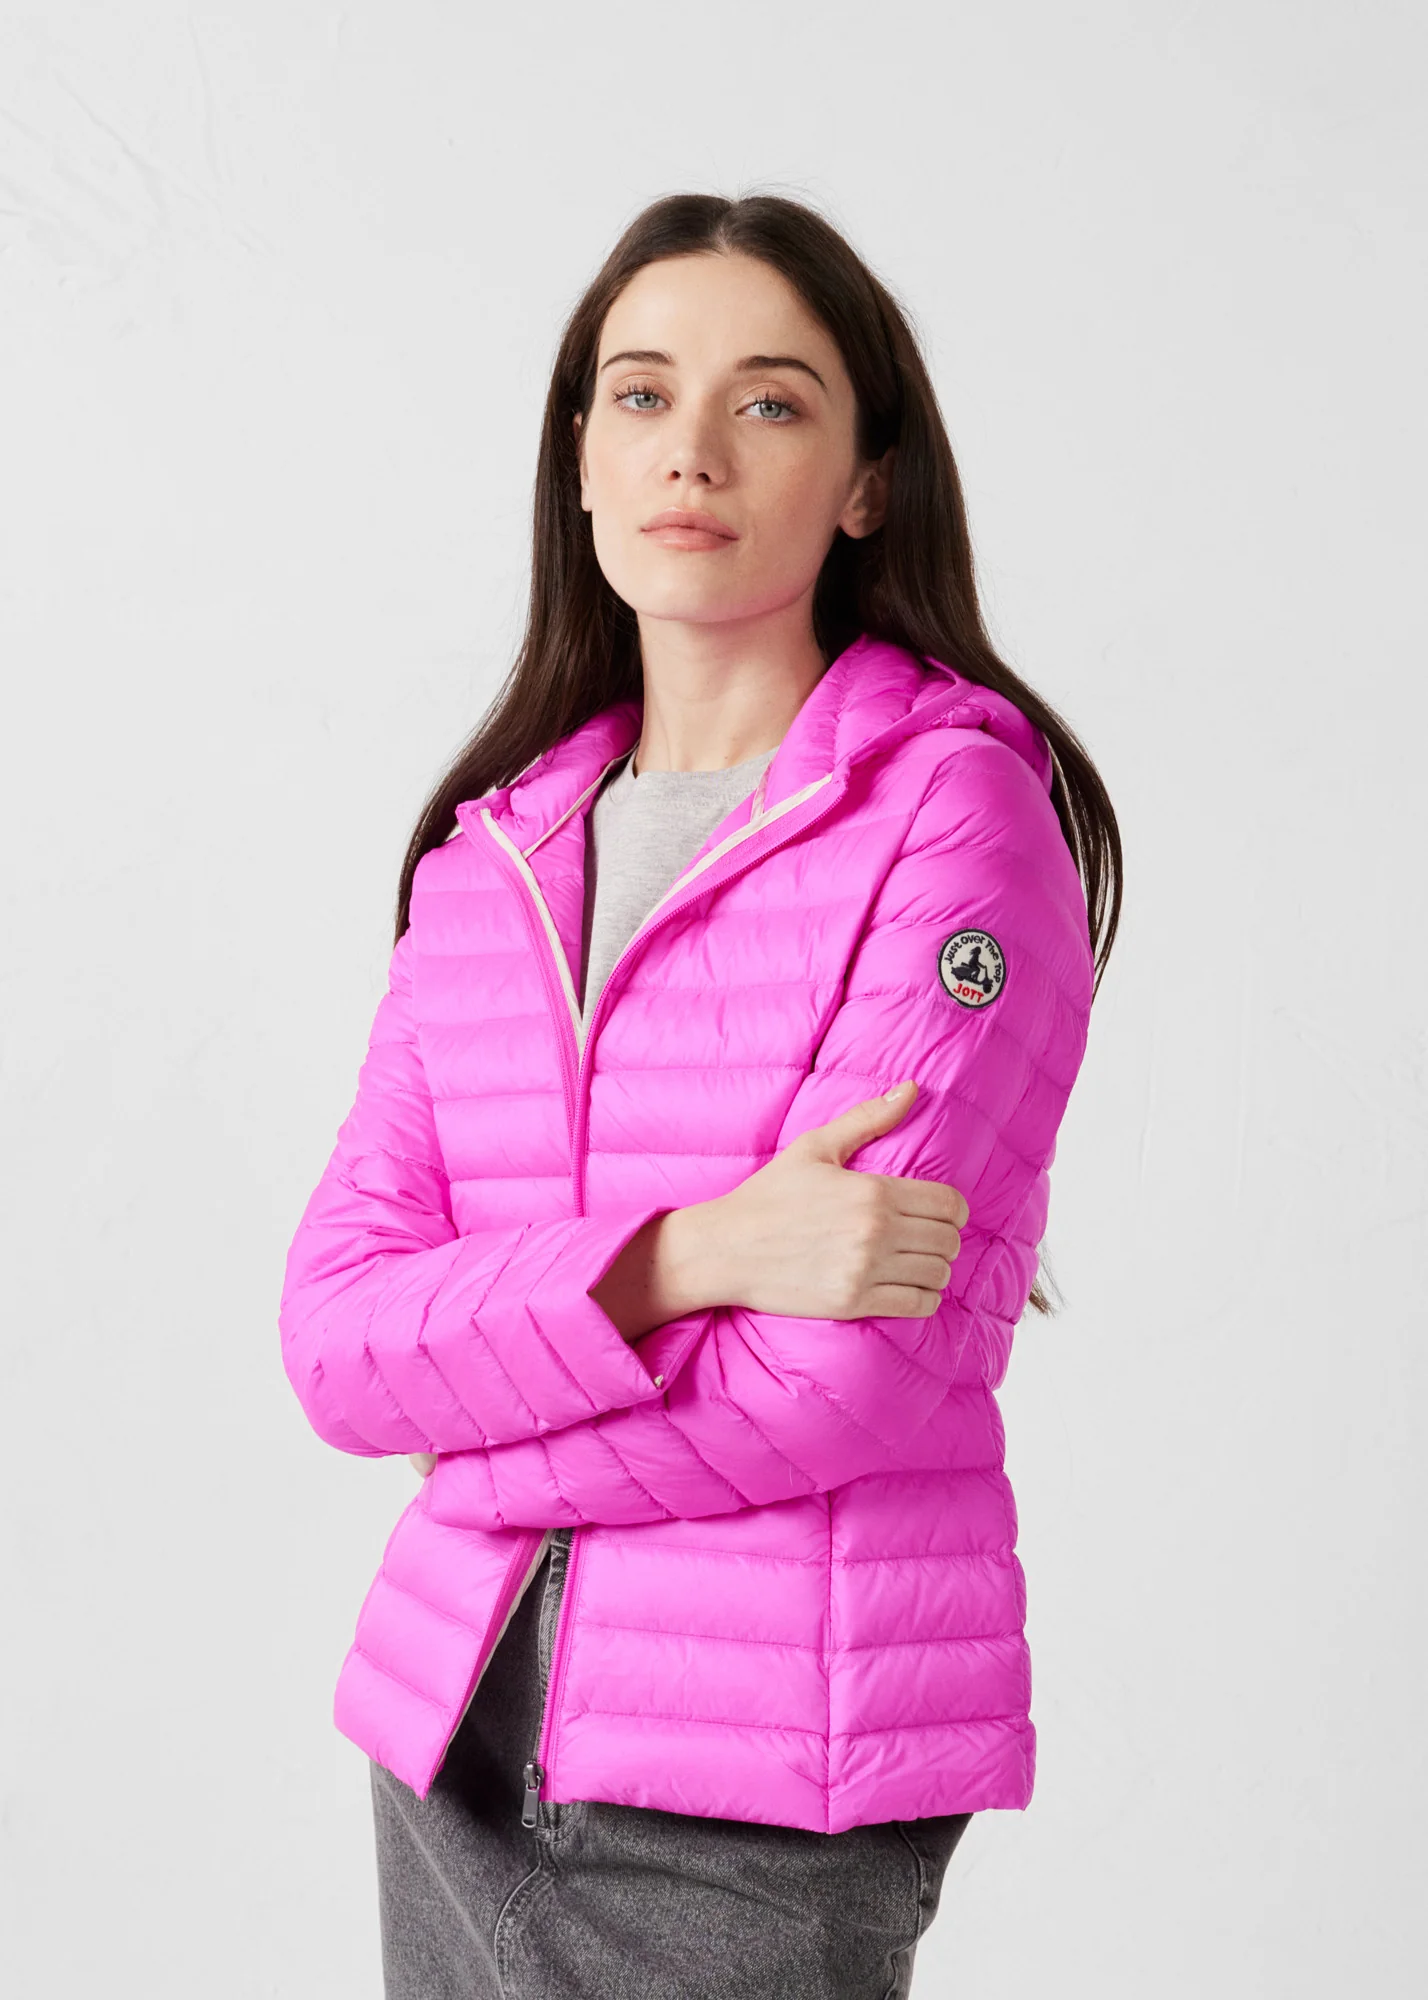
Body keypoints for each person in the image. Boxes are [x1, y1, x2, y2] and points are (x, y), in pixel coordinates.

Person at [278, 190, 1122, 1999]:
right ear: (581, 460)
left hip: (762, 1780)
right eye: (644, 393)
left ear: (868, 482)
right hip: (448, 1730)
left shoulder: (957, 820)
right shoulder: (487, 865)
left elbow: (838, 1379)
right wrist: (690, 1256)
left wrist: (479, 1442)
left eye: (772, 401)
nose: (694, 449)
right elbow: (338, 1343)